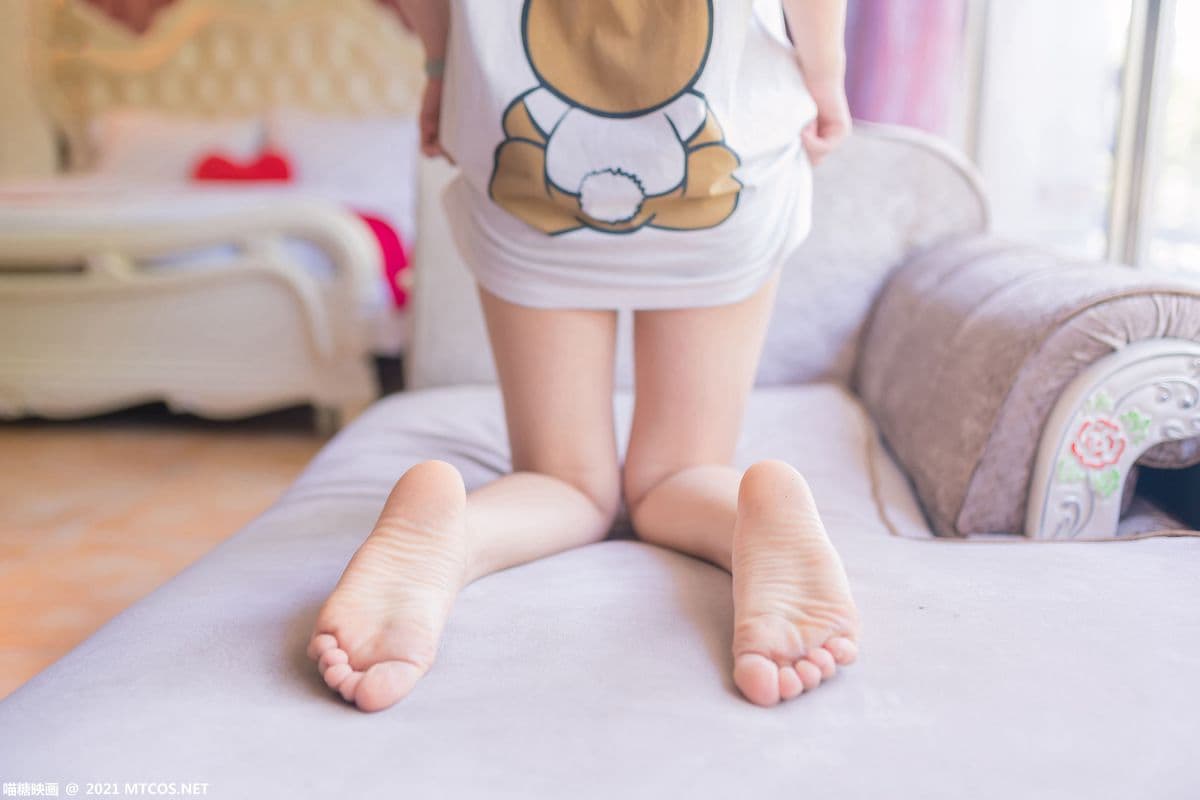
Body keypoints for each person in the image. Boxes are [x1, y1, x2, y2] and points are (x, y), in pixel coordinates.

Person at [308, 0, 858, 711]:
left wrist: (441, 70)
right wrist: (826, 75)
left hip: (528, 167)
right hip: (715, 160)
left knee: (564, 480)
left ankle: (457, 534)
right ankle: (747, 523)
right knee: (679, 472)